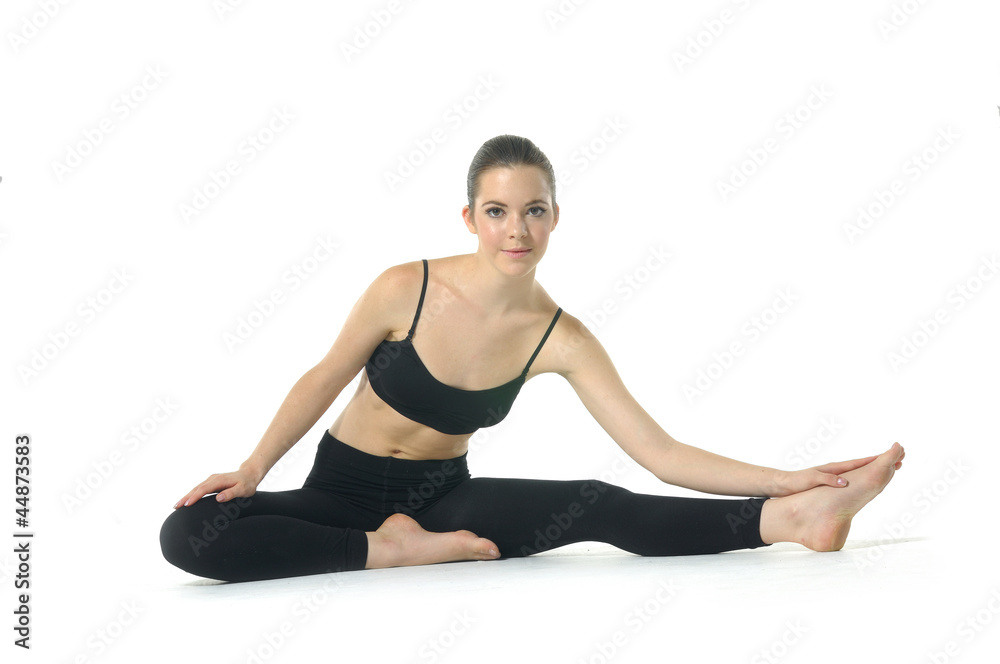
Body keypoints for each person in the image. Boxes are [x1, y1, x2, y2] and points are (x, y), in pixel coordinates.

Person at [159, 134, 905, 583]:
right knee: (188, 533)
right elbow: (323, 377)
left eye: (533, 210)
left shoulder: (562, 337)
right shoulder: (405, 287)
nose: (515, 230)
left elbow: (660, 453)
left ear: (554, 218)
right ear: (470, 218)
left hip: (443, 503)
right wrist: (253, 469)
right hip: (337, 496)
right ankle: (388, 554)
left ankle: (794, 518)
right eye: (497, 211)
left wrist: (784, 477)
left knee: (598, 502)